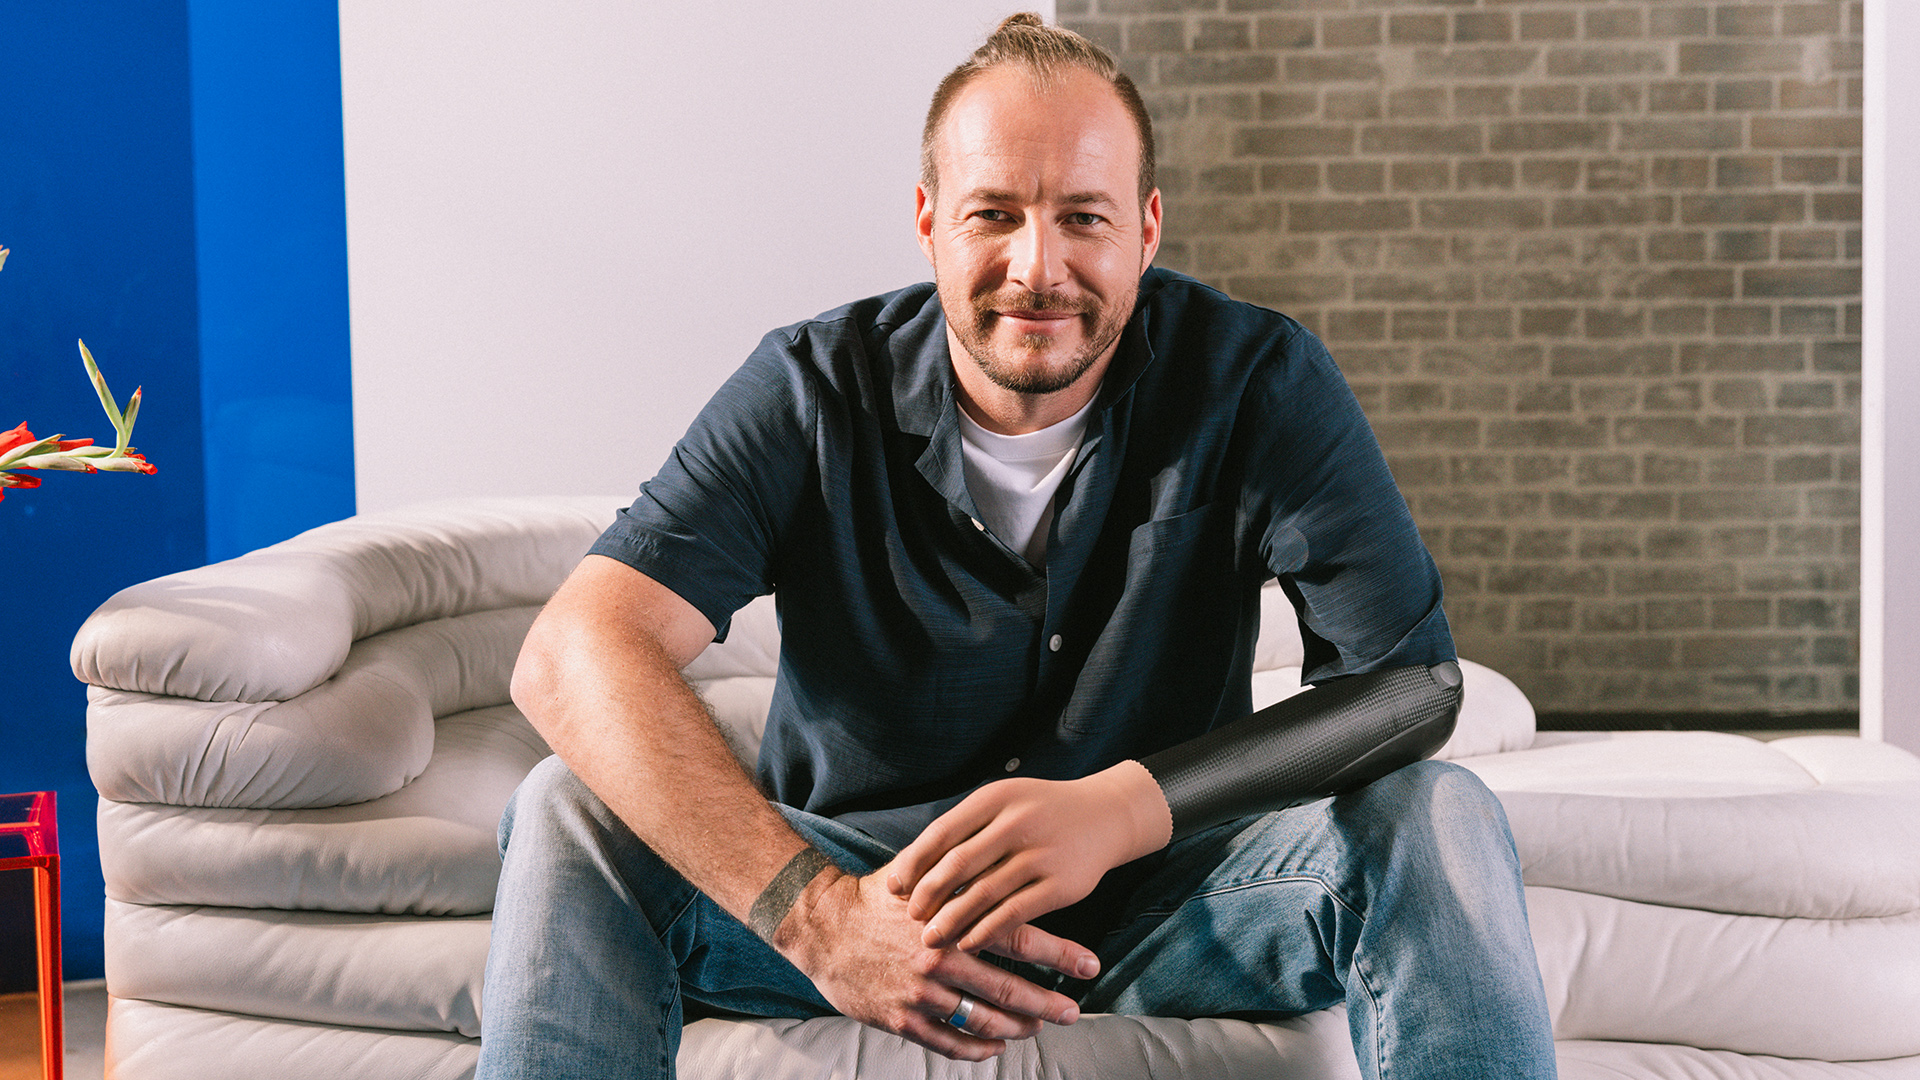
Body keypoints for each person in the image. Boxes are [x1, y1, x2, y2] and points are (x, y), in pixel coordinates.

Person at [477, 14, 1558, 1080]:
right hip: (869, 899)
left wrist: (1124, 808)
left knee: (1440, 811)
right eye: (994, 213)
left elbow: (1410, 686)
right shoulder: (810, 388)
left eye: (1084, 217)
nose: (1039, 267)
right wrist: (821, 918)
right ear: (928, 221)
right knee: (568, 811)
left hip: (1171, 895)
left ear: (1147, 229)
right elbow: (573, 653)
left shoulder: (1258, 378)